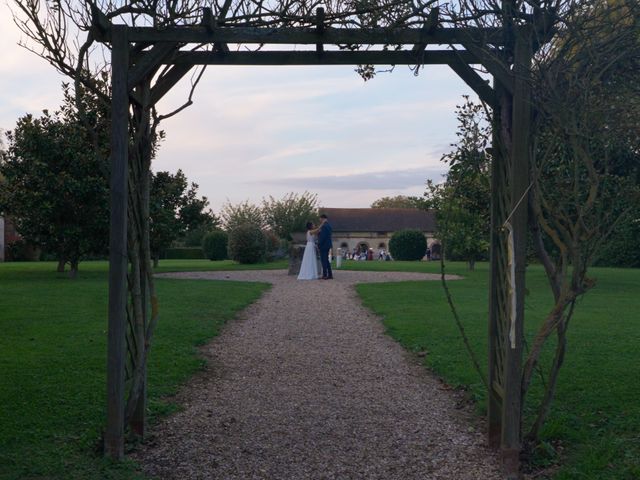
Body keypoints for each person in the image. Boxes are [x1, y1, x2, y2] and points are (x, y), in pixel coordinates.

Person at [317, 214, 333, 279]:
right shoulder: (329, 226)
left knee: (324, 260)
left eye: (320, 219)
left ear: (323, 218)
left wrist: (319, 244)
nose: (320, 220)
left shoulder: (324, 226)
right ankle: (330, 274)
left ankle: (325, 275)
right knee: (326, 260)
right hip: (328, 244)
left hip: (323, 245)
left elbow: (322, 237)